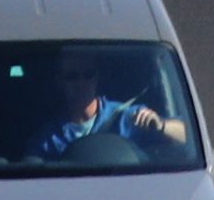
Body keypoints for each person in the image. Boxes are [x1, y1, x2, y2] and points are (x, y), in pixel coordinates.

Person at [31, 55, 187, 161]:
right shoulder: (48, 137)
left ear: (96, 78)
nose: (81, 82)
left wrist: (161, 125)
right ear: (60, 82)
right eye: (72, 76)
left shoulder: (128, 117)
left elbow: (187, 136)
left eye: (88, 74)